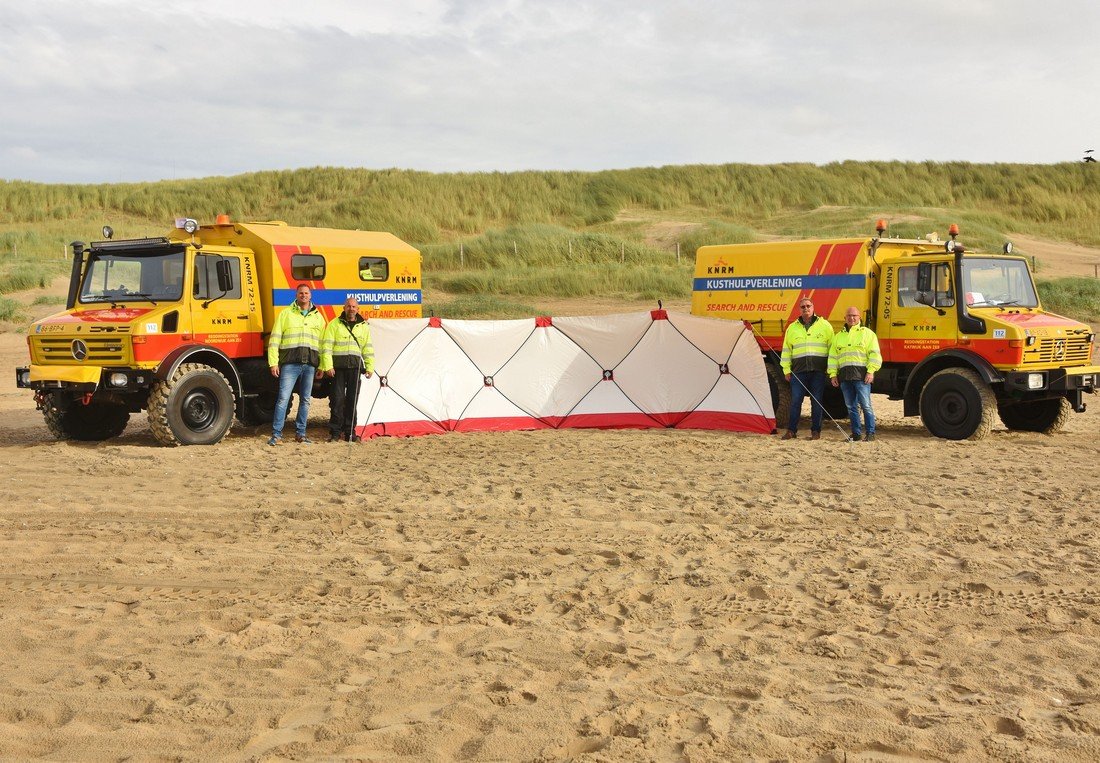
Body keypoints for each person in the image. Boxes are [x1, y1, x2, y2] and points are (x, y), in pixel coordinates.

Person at [267, 284, 326, 445]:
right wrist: (273, 362)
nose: (304, 296)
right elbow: (275, 340)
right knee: (283, 399)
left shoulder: (318, 317)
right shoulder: (285, 314)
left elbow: (322, 344)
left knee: (305, 400)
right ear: (296, 295)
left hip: (310, 365)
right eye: (301, 293)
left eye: (306, 293)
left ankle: (301, 434)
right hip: (290, 364)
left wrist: (322, 366)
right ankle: (276, 435)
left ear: (310, 295)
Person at [320, 297, 375, 442]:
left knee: (352, 401)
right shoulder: (334, 324)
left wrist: (369, 366)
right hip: (338, 369)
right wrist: (328, 366)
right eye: (348, 306)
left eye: (354, 307)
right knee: (337, 401)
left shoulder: (363, 326)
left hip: (355, 368)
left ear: (358, 309)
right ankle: (335, 433)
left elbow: (367, 348)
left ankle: (350, 432)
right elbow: (326, 347)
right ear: (344, 308)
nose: (351, 309)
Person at [780, 297, 834, 440]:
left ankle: (816, 432)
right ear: (800, 309)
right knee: (796, 401)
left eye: (808, 306)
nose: (806, 309)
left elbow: (832, 350)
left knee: (816, 401)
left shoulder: (825, 326)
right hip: (798, 372)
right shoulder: (792, 328)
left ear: (813, 307)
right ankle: (791, 431)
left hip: (818, 372)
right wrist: (786, 369)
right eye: (803, 306)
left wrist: (832, 370)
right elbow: (787, 350)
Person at [828, 307, 882, 442]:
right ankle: (856, 434)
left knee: (866, 406)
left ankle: (870, 433)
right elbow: (833, 357)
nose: (852, 318)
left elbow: (875, 355)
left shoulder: (868, 334)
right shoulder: (838, 336)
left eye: (855, 316)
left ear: (859, 318)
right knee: (851, 407)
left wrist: (871, 371)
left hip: (862, 377)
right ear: (845, 318)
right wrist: (833, 374)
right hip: (845, 378)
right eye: (849, 316)